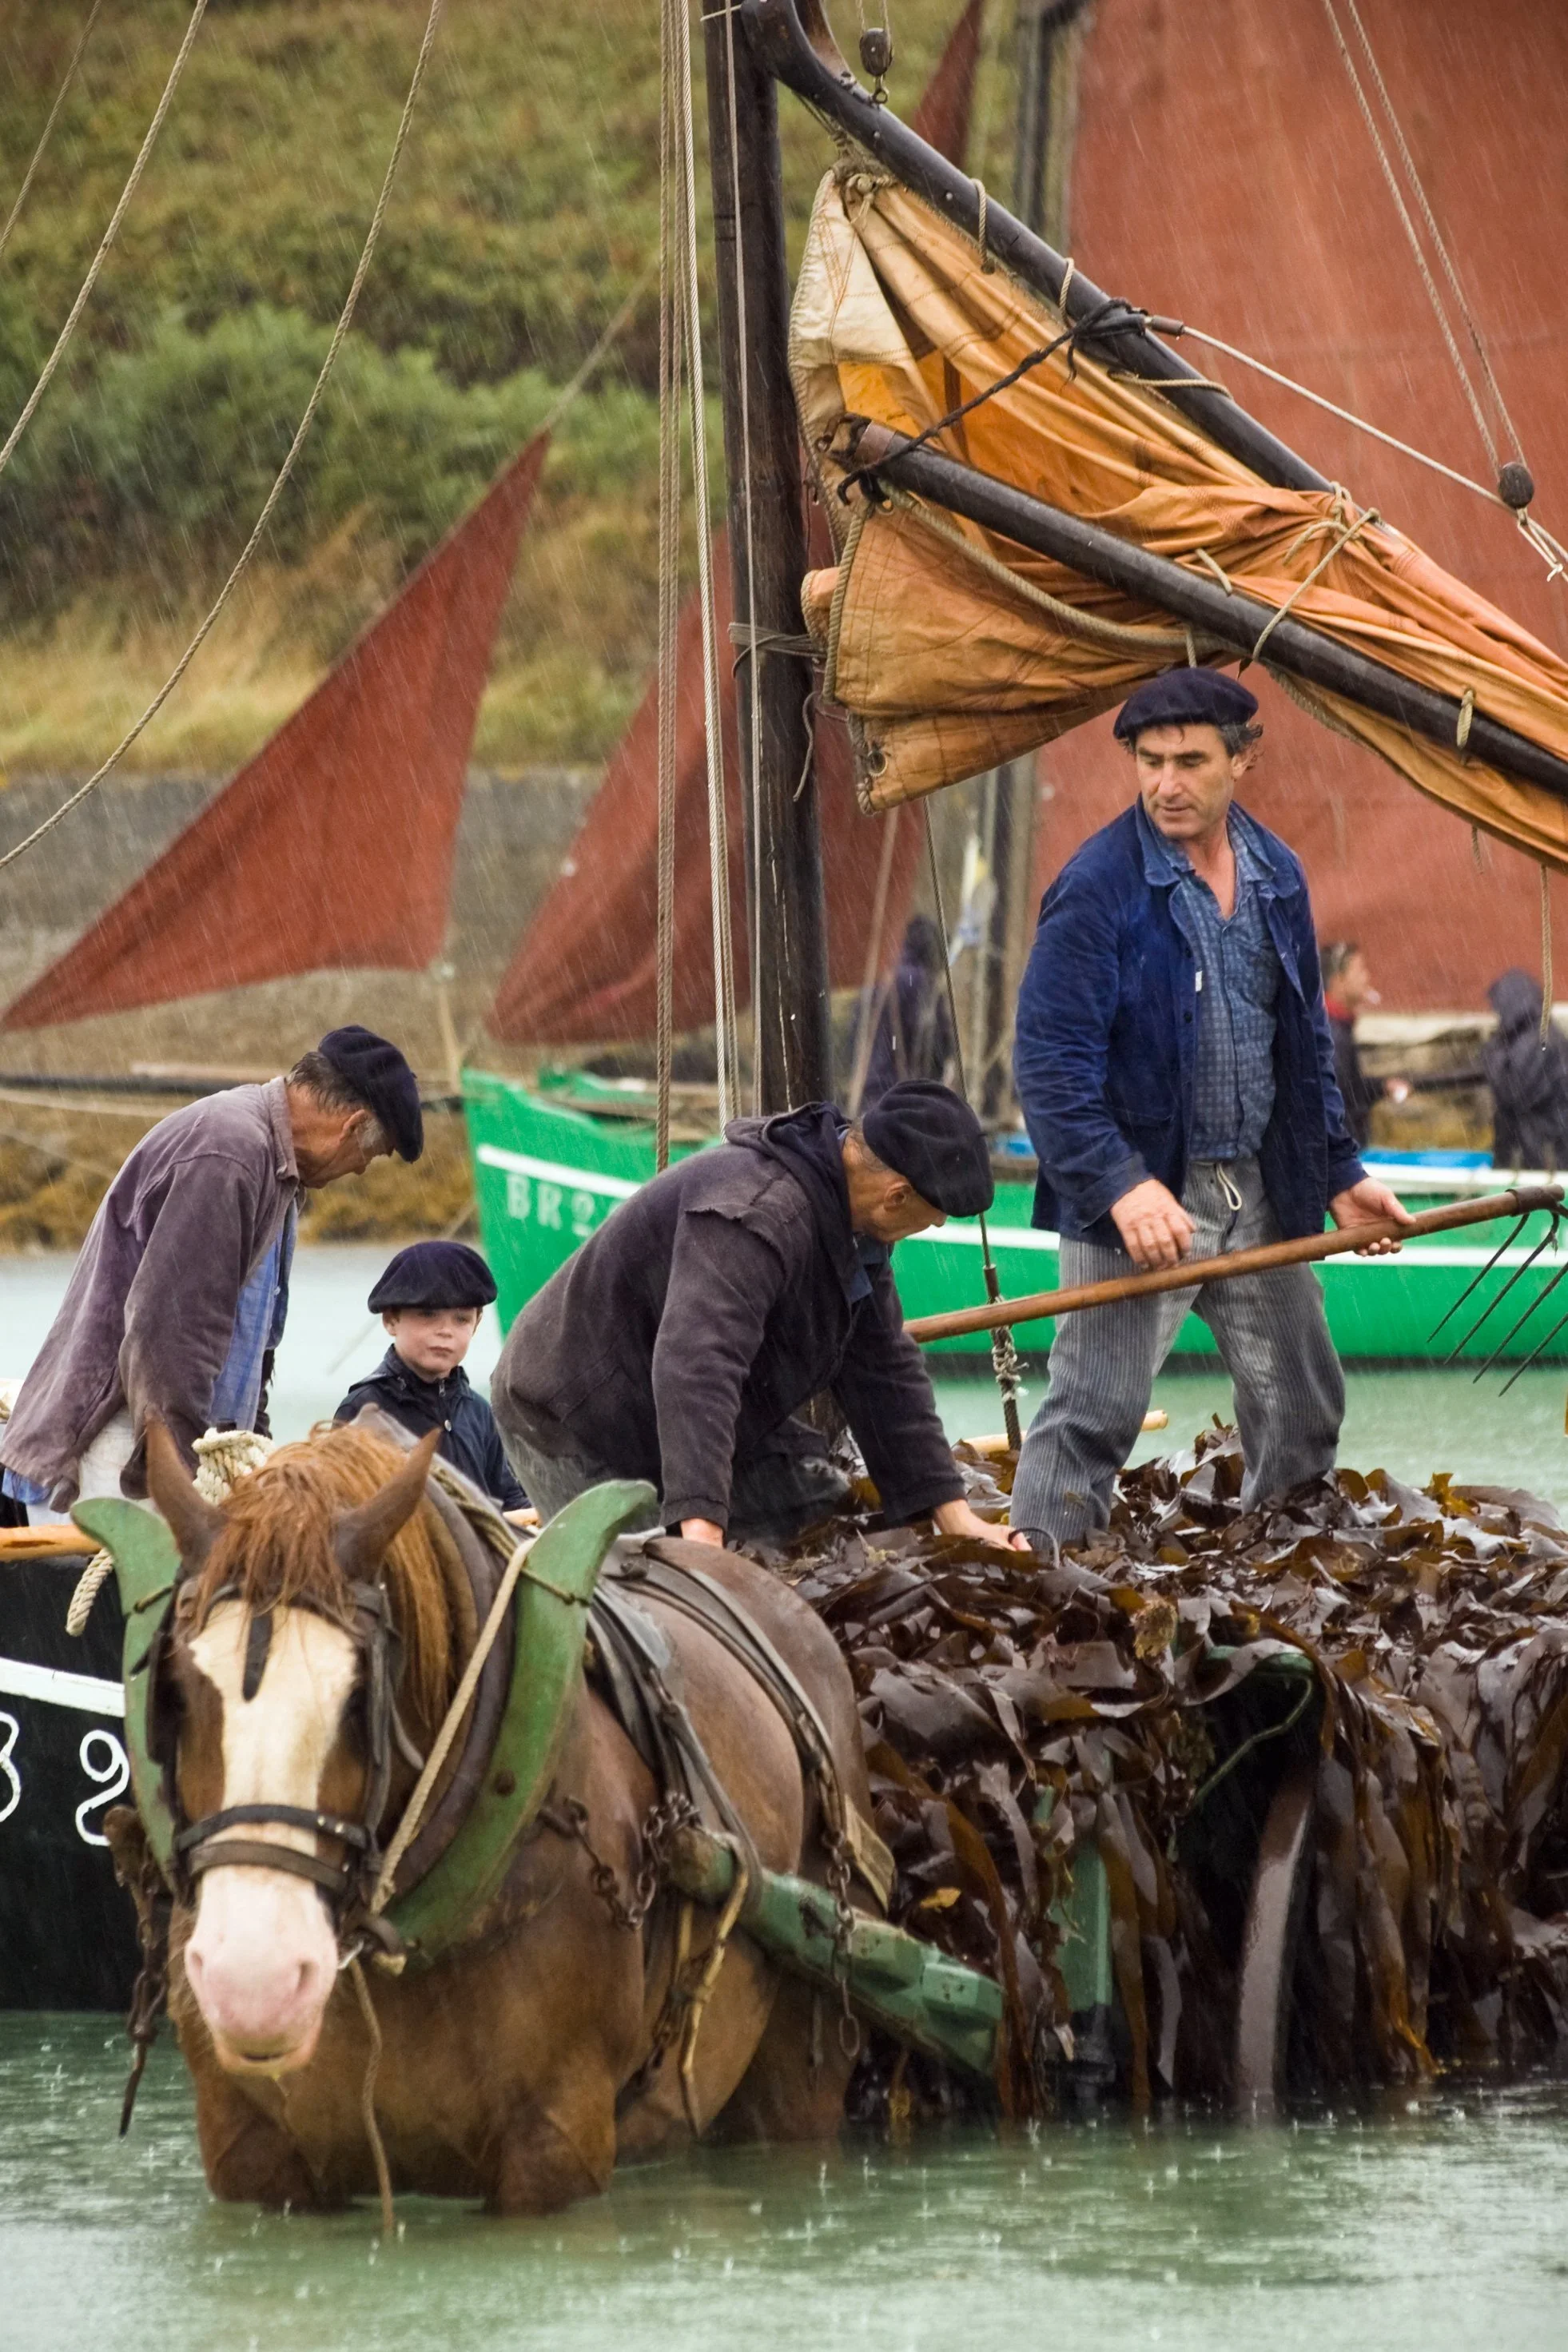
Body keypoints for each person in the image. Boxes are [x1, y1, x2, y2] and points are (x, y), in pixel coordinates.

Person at [1009, 670, 1411, 1549]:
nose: (1166, 783)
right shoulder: (1097, 888)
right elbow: (1047, 1066)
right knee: (1092, 1417)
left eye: (1190, 760)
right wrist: (1123, 1187)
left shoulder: (1278, 875)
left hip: (1258, 1189)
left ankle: (1285, 1571)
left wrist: (1342, 1174)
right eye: (1149, 761)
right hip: (1139, 1200)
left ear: (1244, 760)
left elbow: (1303, 1042)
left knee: (1303, 1403)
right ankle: (1042, 1591)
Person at [491, 1079, 1022, 1550]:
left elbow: (884, 1368)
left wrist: (953, 1515)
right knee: (657, 1594)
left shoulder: (856, 1229)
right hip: (573, 1418)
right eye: (928, 1222)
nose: (925, 1232)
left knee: (825, 1513)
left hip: (689, 1422)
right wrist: (701, 1534)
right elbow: (698, 1367)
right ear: (896, 1195)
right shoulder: (756, 1216)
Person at [0, 1027, 423, 1515]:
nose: (361, 1170)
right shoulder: (231, 1154)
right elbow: (171, 1334)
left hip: (172, 1444)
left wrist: (252, 1447)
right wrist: (180, 1480)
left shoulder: (274, 1167)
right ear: (353, 1125)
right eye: (371, 1153)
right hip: (125, 1446)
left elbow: (254, 1338)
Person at [335, 1240, 531, 1519]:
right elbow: (341, 1510)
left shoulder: (478, 1411)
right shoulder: (364, 1409)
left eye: (461, 1319)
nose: (445, 1331)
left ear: (476, 1324)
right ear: (391, 1320)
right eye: (428, 1315)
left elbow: (509, 1498)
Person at [859, 914, 958, 1107]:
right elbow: (931, 1039)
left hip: (874, 1088)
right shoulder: (922, 984)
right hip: (905, 1094)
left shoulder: (887, 980)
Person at [1319, 940, 1410, 1148]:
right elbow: (1341, 1100)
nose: (1366, 978)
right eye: (1359, 971)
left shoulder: (1336, 1028)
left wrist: (1381, 1087)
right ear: (1339, 980)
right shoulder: (1332, 1036)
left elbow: (1350, 1088)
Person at [1484, 969, 1568, 1169]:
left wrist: (1491, 1052)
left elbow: (1513, 1093)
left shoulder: (1538, 1042)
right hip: (1533, 1152)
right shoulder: (1525, 1039)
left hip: (1542, 1156)